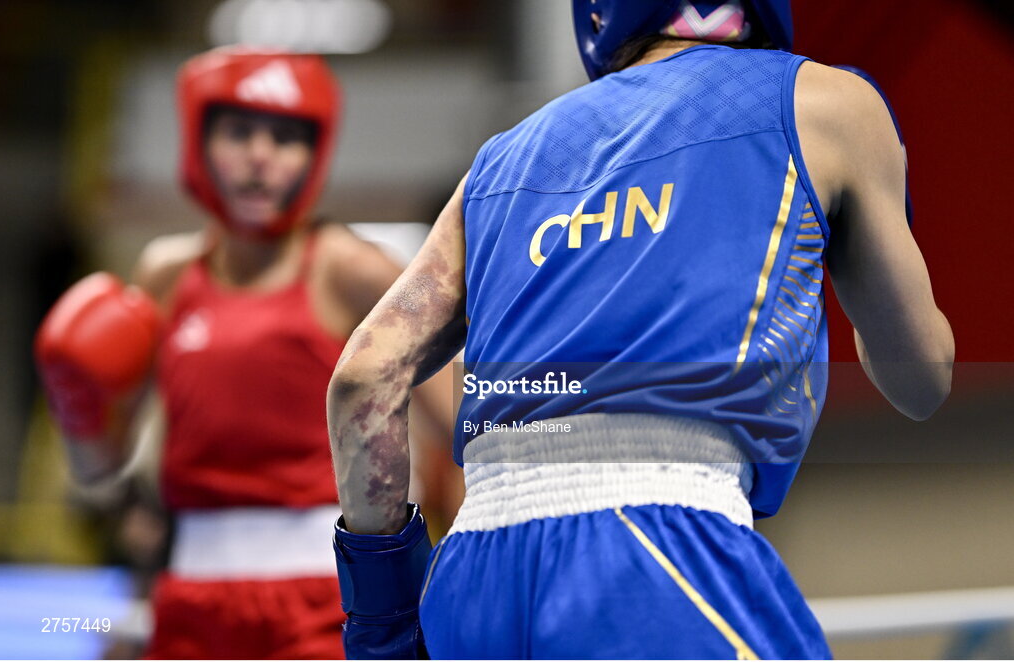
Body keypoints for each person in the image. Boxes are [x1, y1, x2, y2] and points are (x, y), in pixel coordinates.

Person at [327, 0, 955, 658]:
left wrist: (382, 615)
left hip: (470, 579)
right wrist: (855, 225)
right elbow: (920, 382)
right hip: (652, 545)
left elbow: (362, 378)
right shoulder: (823, 100)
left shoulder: (501, 159)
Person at [35, 47, 453, 659]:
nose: (260, 156)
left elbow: (472, 420)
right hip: (189, 594)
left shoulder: (350, 270)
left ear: (315, 154)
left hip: (324, 596)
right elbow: (102, 471)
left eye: (286, 138)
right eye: (239, 132)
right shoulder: (167, 274)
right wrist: (81, 411)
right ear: (199, 143)